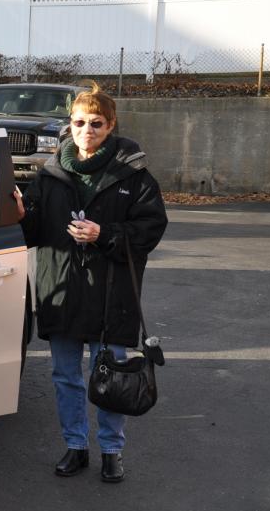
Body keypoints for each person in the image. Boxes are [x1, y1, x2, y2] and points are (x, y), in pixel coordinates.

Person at [15, 84, 167, 483]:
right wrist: (20, 214)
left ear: (111, 125)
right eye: (80, 122)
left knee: (112, 376)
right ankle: (75, 446)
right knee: (65, 377)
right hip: (62, 291)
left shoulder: (133, 174)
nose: (87, 131)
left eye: (96, 123)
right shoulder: (50, 175)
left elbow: (151, 228)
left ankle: (112, 451)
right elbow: (33, 231)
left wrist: (104, 234)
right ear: (71, 124)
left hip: (112, 295)